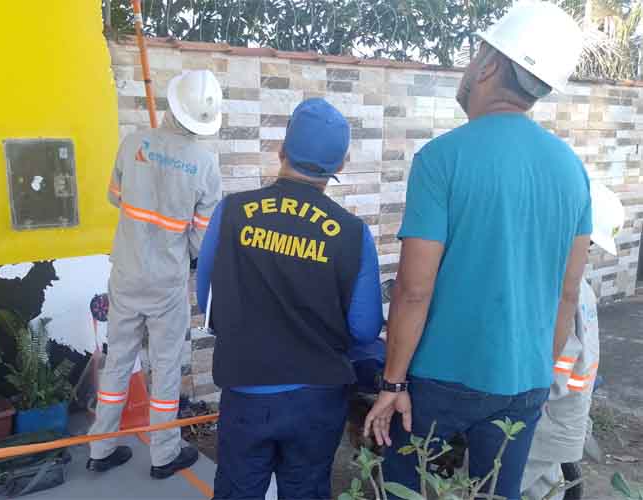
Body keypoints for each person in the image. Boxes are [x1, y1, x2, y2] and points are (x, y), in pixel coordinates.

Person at [363, 3, 590, 499]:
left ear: (488, 64)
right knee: (496, 494)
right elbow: (568, 294)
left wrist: (393, 385)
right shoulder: (572, 170)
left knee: (405, 485)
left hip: (439, 379)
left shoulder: (442, 159)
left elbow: (414, 290)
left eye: (474, 56)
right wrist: (535, 376)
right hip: (525, 382)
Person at [197, 98, 384, 499]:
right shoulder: (352, 233)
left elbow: (207, 304)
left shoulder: (231, 212)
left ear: (281, 150)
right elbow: (365, 327)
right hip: (316, 400)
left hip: (246, 393)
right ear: (341, 164)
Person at [86, 69, 223, 479]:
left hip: (126, 273)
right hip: (166, 283)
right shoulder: (205, 164)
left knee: (118, 361)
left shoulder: (132, 144)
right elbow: (203, 240)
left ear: (171, 103)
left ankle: (100, 448)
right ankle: (163, 455)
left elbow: (115, 197)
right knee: (165, 365)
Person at [521, 181, 625, 500]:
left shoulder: (555, 287)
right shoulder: (580, 289)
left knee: (503, 484)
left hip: (547, 412)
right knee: (545, 485)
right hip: (565, 412)